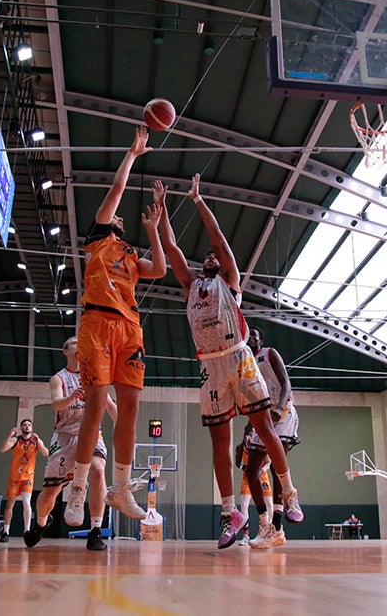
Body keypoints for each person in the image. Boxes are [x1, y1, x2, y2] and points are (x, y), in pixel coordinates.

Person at [153, 175, 302, 550]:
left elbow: (219, 237)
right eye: (207, 256)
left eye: (215, 256)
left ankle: (289, 492)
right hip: (210, 365)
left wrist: (198, 200)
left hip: (239, 359)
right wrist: (162, 214)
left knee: (264, 426)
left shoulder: (231, 282)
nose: (211, 256)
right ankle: (230, 513)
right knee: (220, 442)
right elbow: (170, 248)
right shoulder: (191, 287)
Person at [66, 126, 167, 527]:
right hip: (96, 323)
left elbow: (159, 269)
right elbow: (117, 191)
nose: (121, 216)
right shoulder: (99, 239)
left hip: (130, 330)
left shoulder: (130, 255)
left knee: (131, 408)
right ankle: (77, 489)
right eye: (118, 217)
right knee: (95, 403)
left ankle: (121, 489)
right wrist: (132, 154)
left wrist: (153, 231)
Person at [25, 336, 117, 551]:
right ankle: (40, 524)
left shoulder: (95, 376)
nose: (80, 342)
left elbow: (110, 406)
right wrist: (71, 398)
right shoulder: (58, 378)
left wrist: (125, 427)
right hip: (65, 435)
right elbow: (57, 405)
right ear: (66, 351)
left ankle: (95, 531)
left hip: (92, 433)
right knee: (50, 493)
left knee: (97, 471)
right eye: (74, 341)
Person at [244, 325, 301, 549]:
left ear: (260, 339)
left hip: (283, 411)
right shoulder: (246, 364)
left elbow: (286, 382)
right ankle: (264, 523)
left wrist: (279, 406)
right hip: (262, 418)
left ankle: (278, 525)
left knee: (278, 464)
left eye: (254, 336)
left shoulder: (269, 353)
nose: (250, 340)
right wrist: (247, 430)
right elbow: (253, 398)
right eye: (247, 337)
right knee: (251, 471)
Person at [0, 419, 48, 543]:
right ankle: (6, 532)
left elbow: (46, 453)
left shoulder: (35, 441)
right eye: (25, 425)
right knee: (10, 505)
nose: (27, 426)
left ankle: (26, 530)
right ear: (21, 428)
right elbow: (3, 449)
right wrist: (9, 436)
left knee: (27, 502)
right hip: (15, 477)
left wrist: (39, 442)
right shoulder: (16, 440)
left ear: (32, 428)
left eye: (29, 425)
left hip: (27, 477)